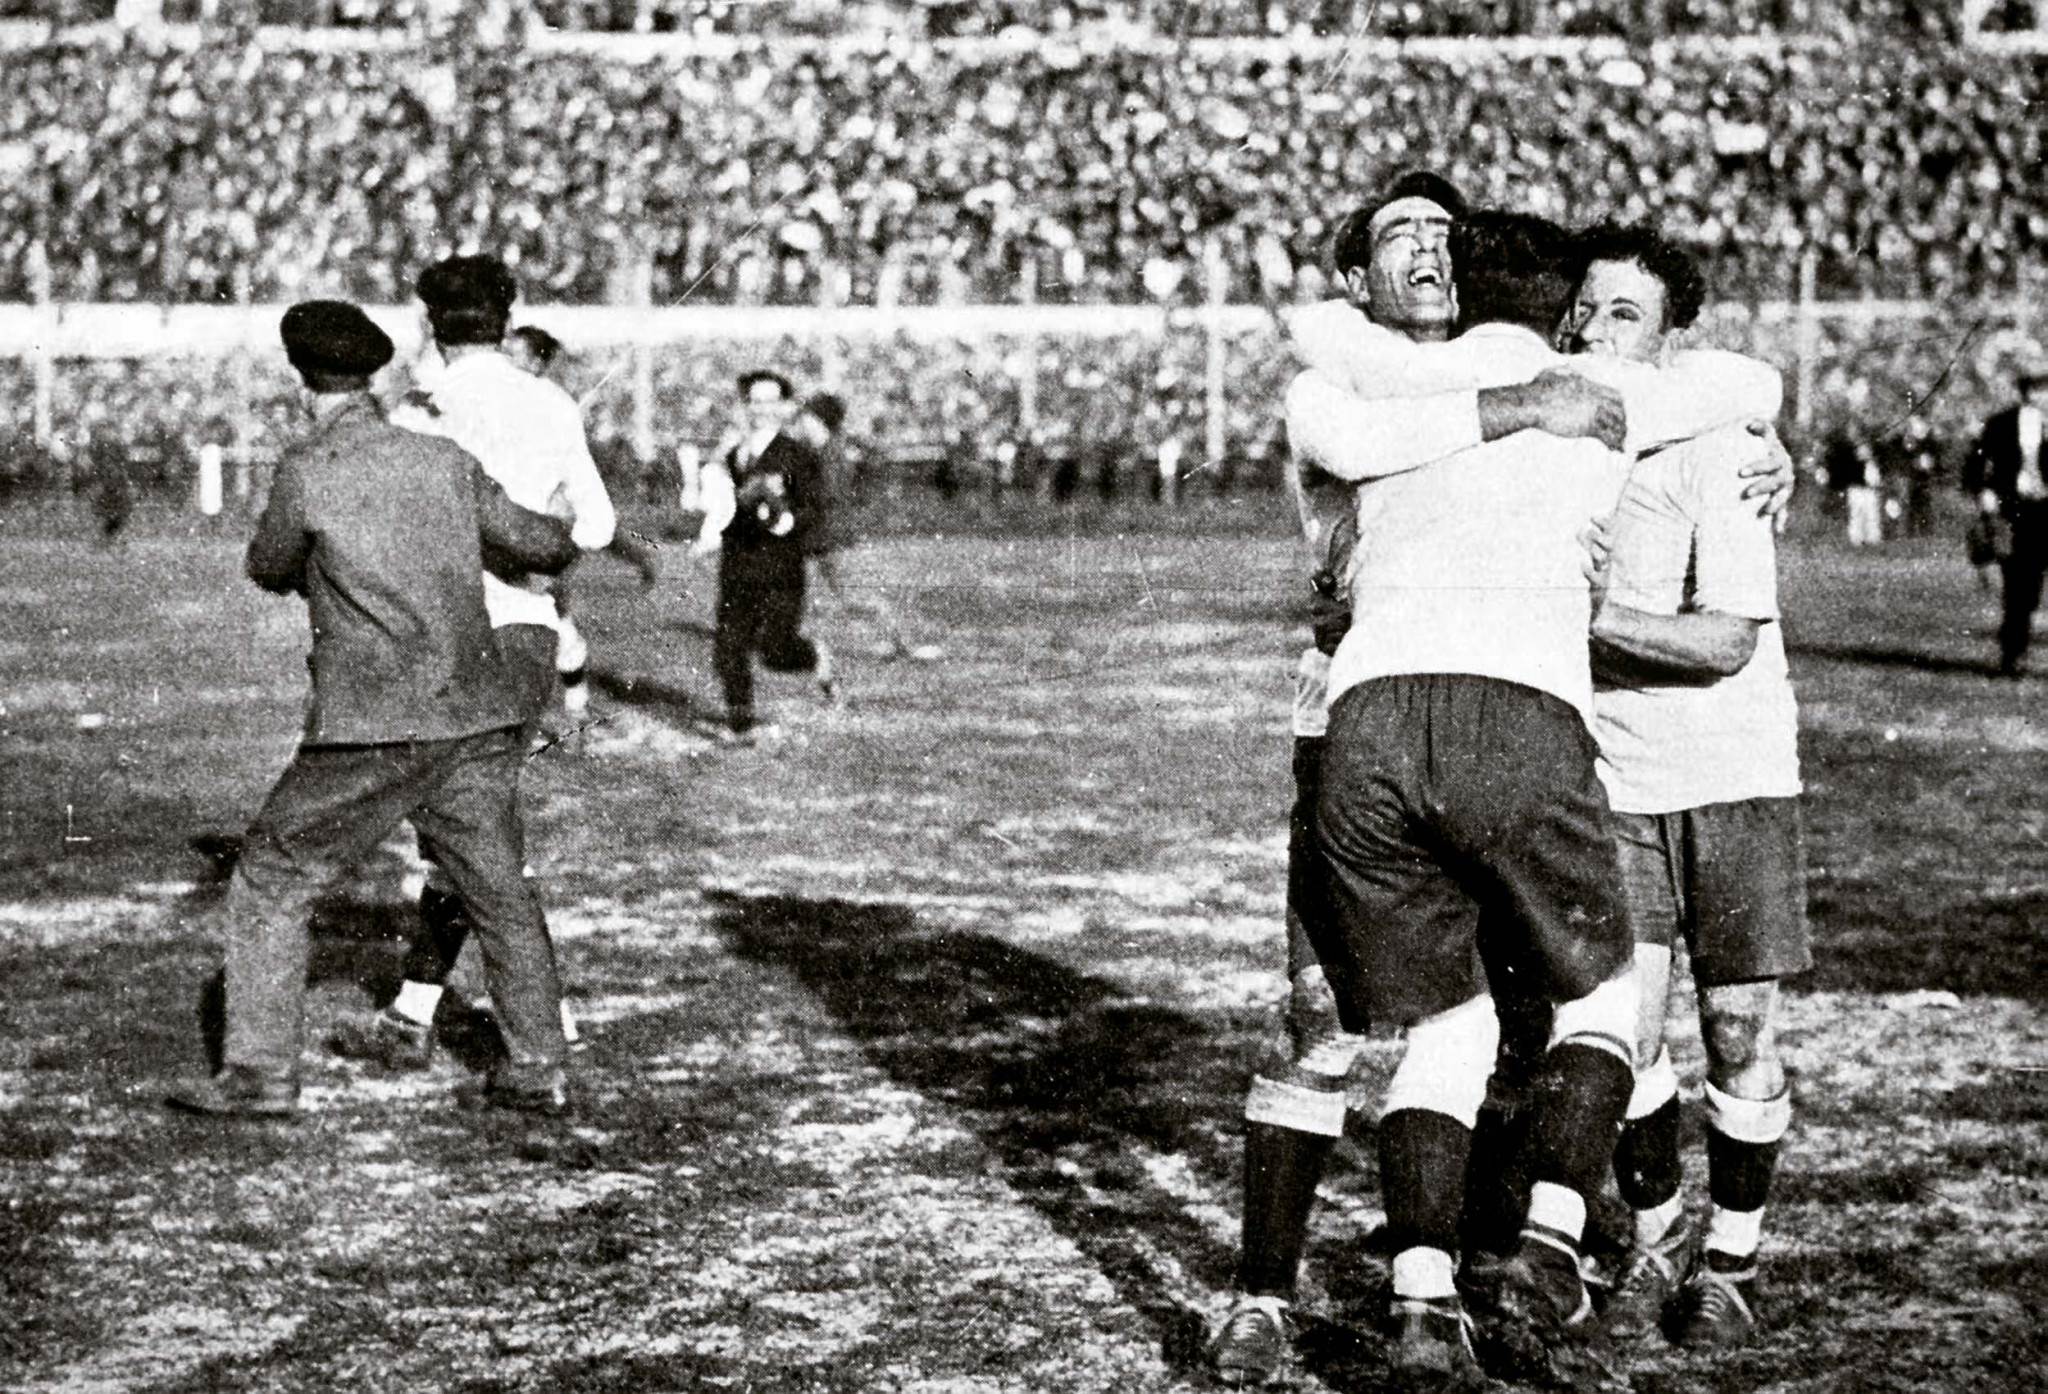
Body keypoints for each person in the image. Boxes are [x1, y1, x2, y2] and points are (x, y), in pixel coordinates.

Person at [1283, 210, 1784, 1391]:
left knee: (1449, 1027)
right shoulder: (1599, 394)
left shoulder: (1394, 383)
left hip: (1375, 724)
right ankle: (1549, 1239)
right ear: (1560, 313)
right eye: (1583, 308)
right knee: (1598, 998)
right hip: (1522, 719)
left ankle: (1429, 1295)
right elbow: (1745, 380)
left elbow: (1317, 351)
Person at [165, 300, 580, 1119]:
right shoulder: (443, 458)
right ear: (374, 378)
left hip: (370, 723)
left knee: (273, 877)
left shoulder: (307, 469)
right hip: (472, 714)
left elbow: (269, 566)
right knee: (499, 891)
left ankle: (260, 1076)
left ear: (303, 384)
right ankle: (539, 1068)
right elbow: (543, 544)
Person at [1563, 223, 1808, 1352]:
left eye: (1624, 312)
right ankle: (1658, 1234)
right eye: (1583, 307)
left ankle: (1731, 1262)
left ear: (1671, 343)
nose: (1592, 329)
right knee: (1624, 1026)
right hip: (1614, 773)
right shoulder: (1556, 444)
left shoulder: (1724, 442)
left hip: (1734, 771)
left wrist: (1583, 619)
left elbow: (1724, 641)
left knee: (1736, 1020)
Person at [329, 256, 614, 1073]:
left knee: (467, 835)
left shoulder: (417, 410)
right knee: (467, 829)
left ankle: (534, 1024)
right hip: (524, 636)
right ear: (507, 318)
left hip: (435, 638)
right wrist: (537, 542)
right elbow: (596, 525)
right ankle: (416, 1013)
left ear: (428, 322)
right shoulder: (549, 401)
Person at [504, 322, 660, 729]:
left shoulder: (551, 408)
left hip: (538, 528)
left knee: (544, 613)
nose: (504, 362)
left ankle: (571, 700)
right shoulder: (497, 397)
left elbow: (582, 499)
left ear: (537, 362)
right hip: (502, 522)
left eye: (514, 355)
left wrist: (634, 554)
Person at [695, 368, 836, 740]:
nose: (762, 409)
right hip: (738, 564)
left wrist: (789, 520)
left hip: (780, 569)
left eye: (770, 401)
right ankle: (741, 726)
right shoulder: (731, 453)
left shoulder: (797, 454)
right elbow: (714, 502)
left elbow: (815, 508)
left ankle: (815, 654)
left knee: (776, 651)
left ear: (784, 406)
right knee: (729, 649)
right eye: (755, 401)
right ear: (745, 405)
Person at [1962, 353, 2048, 676]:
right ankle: (2013, 653)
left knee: (2032, 586)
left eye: (2044, 389)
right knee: (2017, 584)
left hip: (2047, 509)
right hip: (2015, 509)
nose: (2038, 395)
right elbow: (1975, 462)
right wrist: (1983, 491)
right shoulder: (2001, 423)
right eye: (2033, 388)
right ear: (2023, 391)